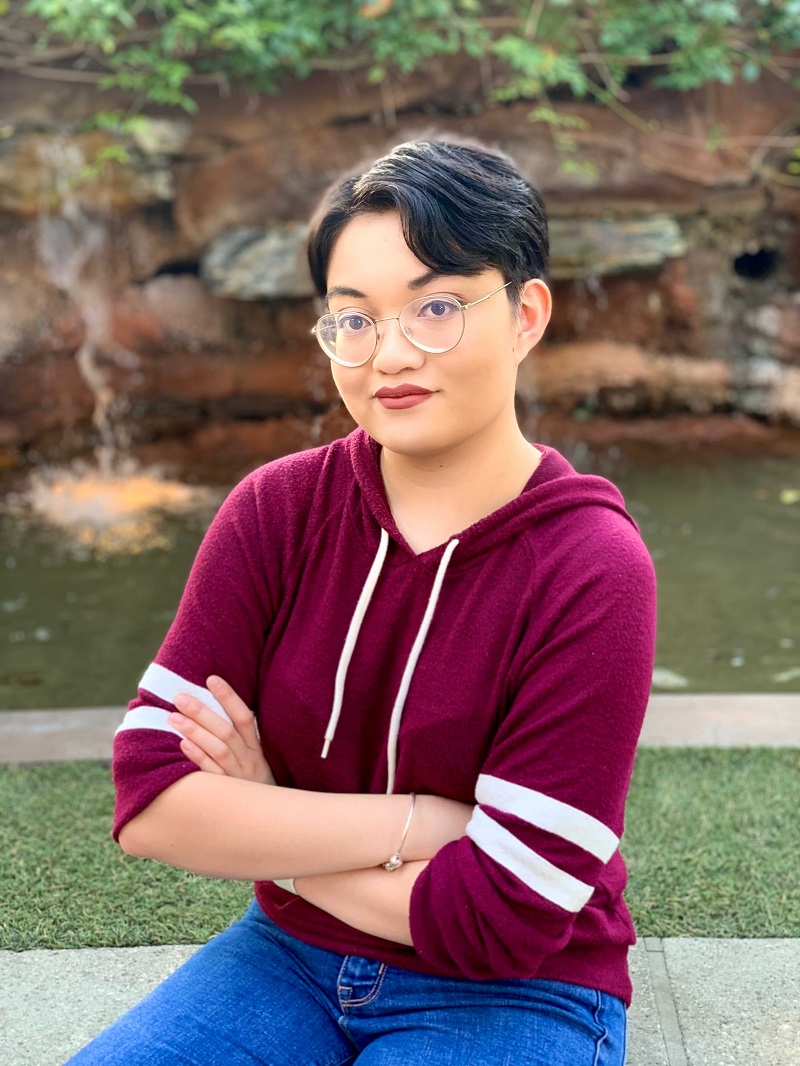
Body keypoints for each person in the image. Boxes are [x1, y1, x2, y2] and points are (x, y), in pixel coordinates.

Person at [68, 137, 656, 1065]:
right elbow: (151, 794)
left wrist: (267, 818)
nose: (389, 355)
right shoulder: (277, 510)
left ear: (526, 315)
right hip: (288, 955)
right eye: (354, 318)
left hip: (520, 992)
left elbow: (503, 918)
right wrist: (423, 823)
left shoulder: (591, 567)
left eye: (436, 307)